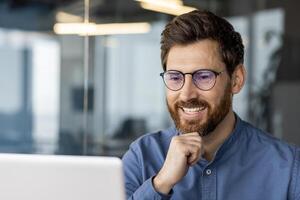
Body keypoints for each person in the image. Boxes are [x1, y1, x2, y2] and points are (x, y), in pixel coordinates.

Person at [122, 9, 300, 200]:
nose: (186, 93)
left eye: (204, 76)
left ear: (236, 80)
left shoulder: (289, 167)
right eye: (175, 77)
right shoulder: (141, 157)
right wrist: (161, 183)